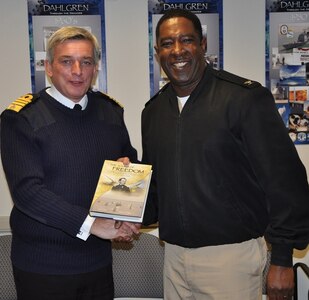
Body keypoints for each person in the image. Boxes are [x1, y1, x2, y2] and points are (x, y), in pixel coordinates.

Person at [142, 9, 309, 300]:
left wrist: (283, 258)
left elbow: (286, 182)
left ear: (203, 44)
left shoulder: (244, 98)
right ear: (158, 52)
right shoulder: (153, 111)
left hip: (231, 261)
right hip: (173, 259)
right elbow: (156, 192)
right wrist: (123, 205)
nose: (177, 50)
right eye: (167, 43)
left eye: (187, 40)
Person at [0, 26, 140, 300]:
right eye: (66, 61)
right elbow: (28, 193)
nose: (77, 70)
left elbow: (129, 169)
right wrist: (92, 224)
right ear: (49, 67)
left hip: (97, 262)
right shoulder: (21, 118)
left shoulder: (110, 111)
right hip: (43, 268)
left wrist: (126, 217)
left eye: (86, 62)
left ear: (95, 68)